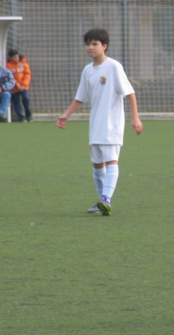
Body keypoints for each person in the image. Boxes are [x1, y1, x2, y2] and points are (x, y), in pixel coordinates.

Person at [57, 28, 143, 215]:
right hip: (95, 125)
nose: (90, 47)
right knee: (97, 165)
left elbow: (130, 93)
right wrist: (66, 115)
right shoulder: (88, 70)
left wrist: (135, 118)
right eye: (88, 44)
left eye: (95, 44)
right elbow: (81, 97)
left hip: (112, 125)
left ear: (105, 46)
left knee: (112, 161)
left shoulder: (114, 67)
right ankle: (102, 202)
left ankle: (106, 199)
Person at [7, 49, 32, 122]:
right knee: (16, 102)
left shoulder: (23, 64)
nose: (17, 58)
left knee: (25, 98)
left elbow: (27, 75)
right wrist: (16, 84)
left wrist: (24, 85)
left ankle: (28, 114)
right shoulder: (8, 65)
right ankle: (21, 116)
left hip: (23, 87)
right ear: (10, 58)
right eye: (15, 57)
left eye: (17, 57)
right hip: (14, 87)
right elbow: (9, 76)